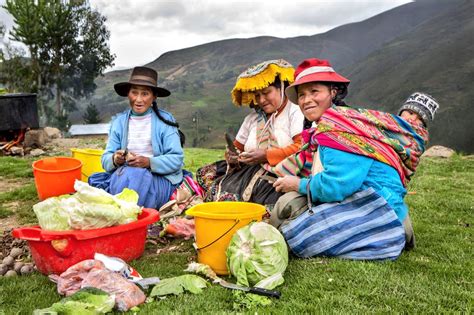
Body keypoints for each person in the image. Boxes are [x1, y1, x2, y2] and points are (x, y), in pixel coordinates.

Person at [270, 58, 434, 260]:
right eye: (302, 94)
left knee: (295, 238)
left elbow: (336, 187)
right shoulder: (335, 124)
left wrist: (297, 183)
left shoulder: (340, 129)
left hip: (377, 208)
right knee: (288, 205)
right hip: (364, 199)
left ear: (333, 92)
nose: (306, 100)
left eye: (314, 92)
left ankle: (386, 234)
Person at [196, 59, 305, 206]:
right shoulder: (252, 119)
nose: (261, 100)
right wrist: (232, 156)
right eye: (257, 95)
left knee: (235, 200)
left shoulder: (294, 111)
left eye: (266, 93)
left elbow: (301, 147)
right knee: (206, 173)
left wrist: (266, 155)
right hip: (246, 171)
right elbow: (236, 148)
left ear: (283, 88)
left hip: (278, 173)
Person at [88, 66, 184, 210]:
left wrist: (149, 162)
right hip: (125, 174)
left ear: (154, 96)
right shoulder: (119, 122)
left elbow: (176, 159)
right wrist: (115, 159)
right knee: (127, 175)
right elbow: (105, 159)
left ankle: (122, 210)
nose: (138, 100)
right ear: (128, 94)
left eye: (145, 94)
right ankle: (130, 209)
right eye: (134, 92)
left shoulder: (165, 120)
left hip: (157, 178)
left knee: (137, 175)